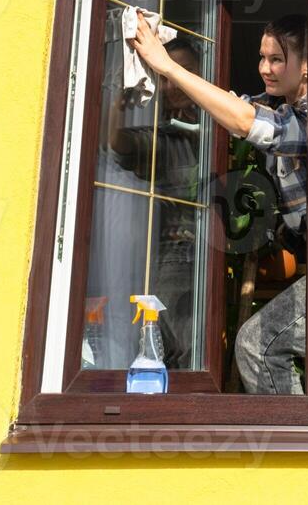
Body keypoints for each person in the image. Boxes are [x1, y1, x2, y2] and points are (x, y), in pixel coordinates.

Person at [127, 13, 308, 394]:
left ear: (307, 67)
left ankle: (293, 449)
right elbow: (232, 110)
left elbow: (242, 121)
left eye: (277, 59)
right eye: (262, 57)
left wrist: (165, 63)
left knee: (259, 345)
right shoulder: (280, 110)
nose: (265, 68)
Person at [105, 37, 205, 368]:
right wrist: (120, 101)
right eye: (165, 75)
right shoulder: (164, 139)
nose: (173, 83)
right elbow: (117, 143)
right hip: (177, 252)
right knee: (180, 344)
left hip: (219, 253)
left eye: (183, 71)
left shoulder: (218, 127)